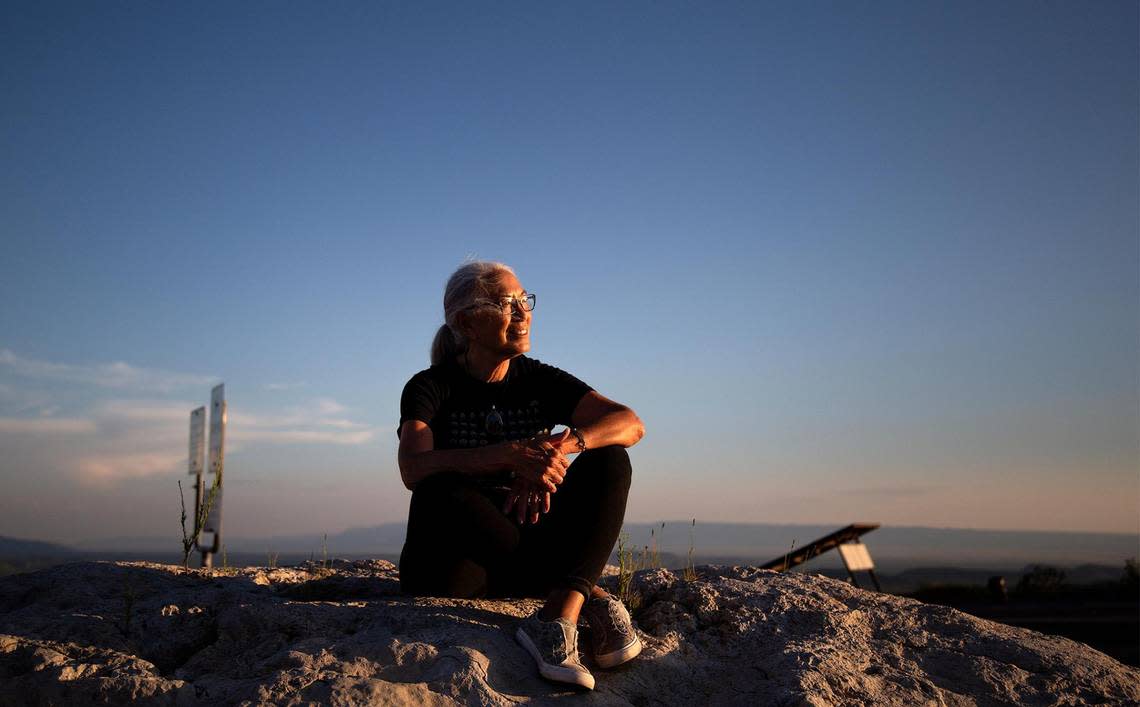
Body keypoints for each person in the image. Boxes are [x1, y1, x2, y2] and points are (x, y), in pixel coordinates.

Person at [397, 260, 646, 690]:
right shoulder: (430, 386)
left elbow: (629, 422)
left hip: (526, 539)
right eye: (506, 303)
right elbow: (412, 468)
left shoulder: (537, 379)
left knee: (611, 459)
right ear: (467, 323)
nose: (523, 312)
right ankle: (587, 592)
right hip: (458, 564)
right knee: (438, 487)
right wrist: (508, 456)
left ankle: (560, 612)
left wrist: (560, 447)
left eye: (524, 300)